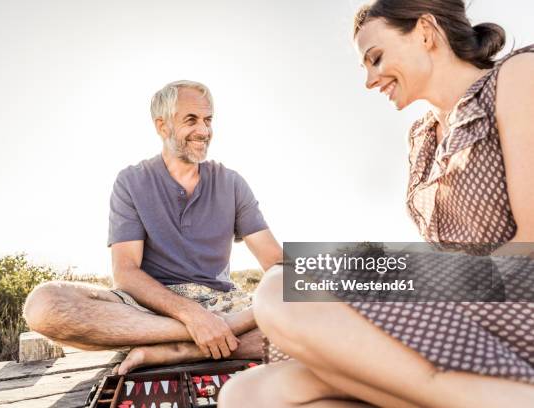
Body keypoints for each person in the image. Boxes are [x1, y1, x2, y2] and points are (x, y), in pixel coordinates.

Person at [219, 1, 534, 407]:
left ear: (425, 31)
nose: (369, 80)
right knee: (251, 393)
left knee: (283, 290)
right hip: (463, 314)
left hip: (518, 297)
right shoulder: (422, 137)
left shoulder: (517, 76)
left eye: (376, 57)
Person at [23, 80, 282, 374]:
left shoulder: (232, 182)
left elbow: (276, 263)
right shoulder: (131, 181)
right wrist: (193, 316)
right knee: (44, 304)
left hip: (225, 305)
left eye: (208, 120)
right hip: (151, 314)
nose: (204, 131)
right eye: (191, 120)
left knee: (320, 294)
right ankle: (209, 335)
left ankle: (179, 351)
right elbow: (126, 273)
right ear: (162, 126)